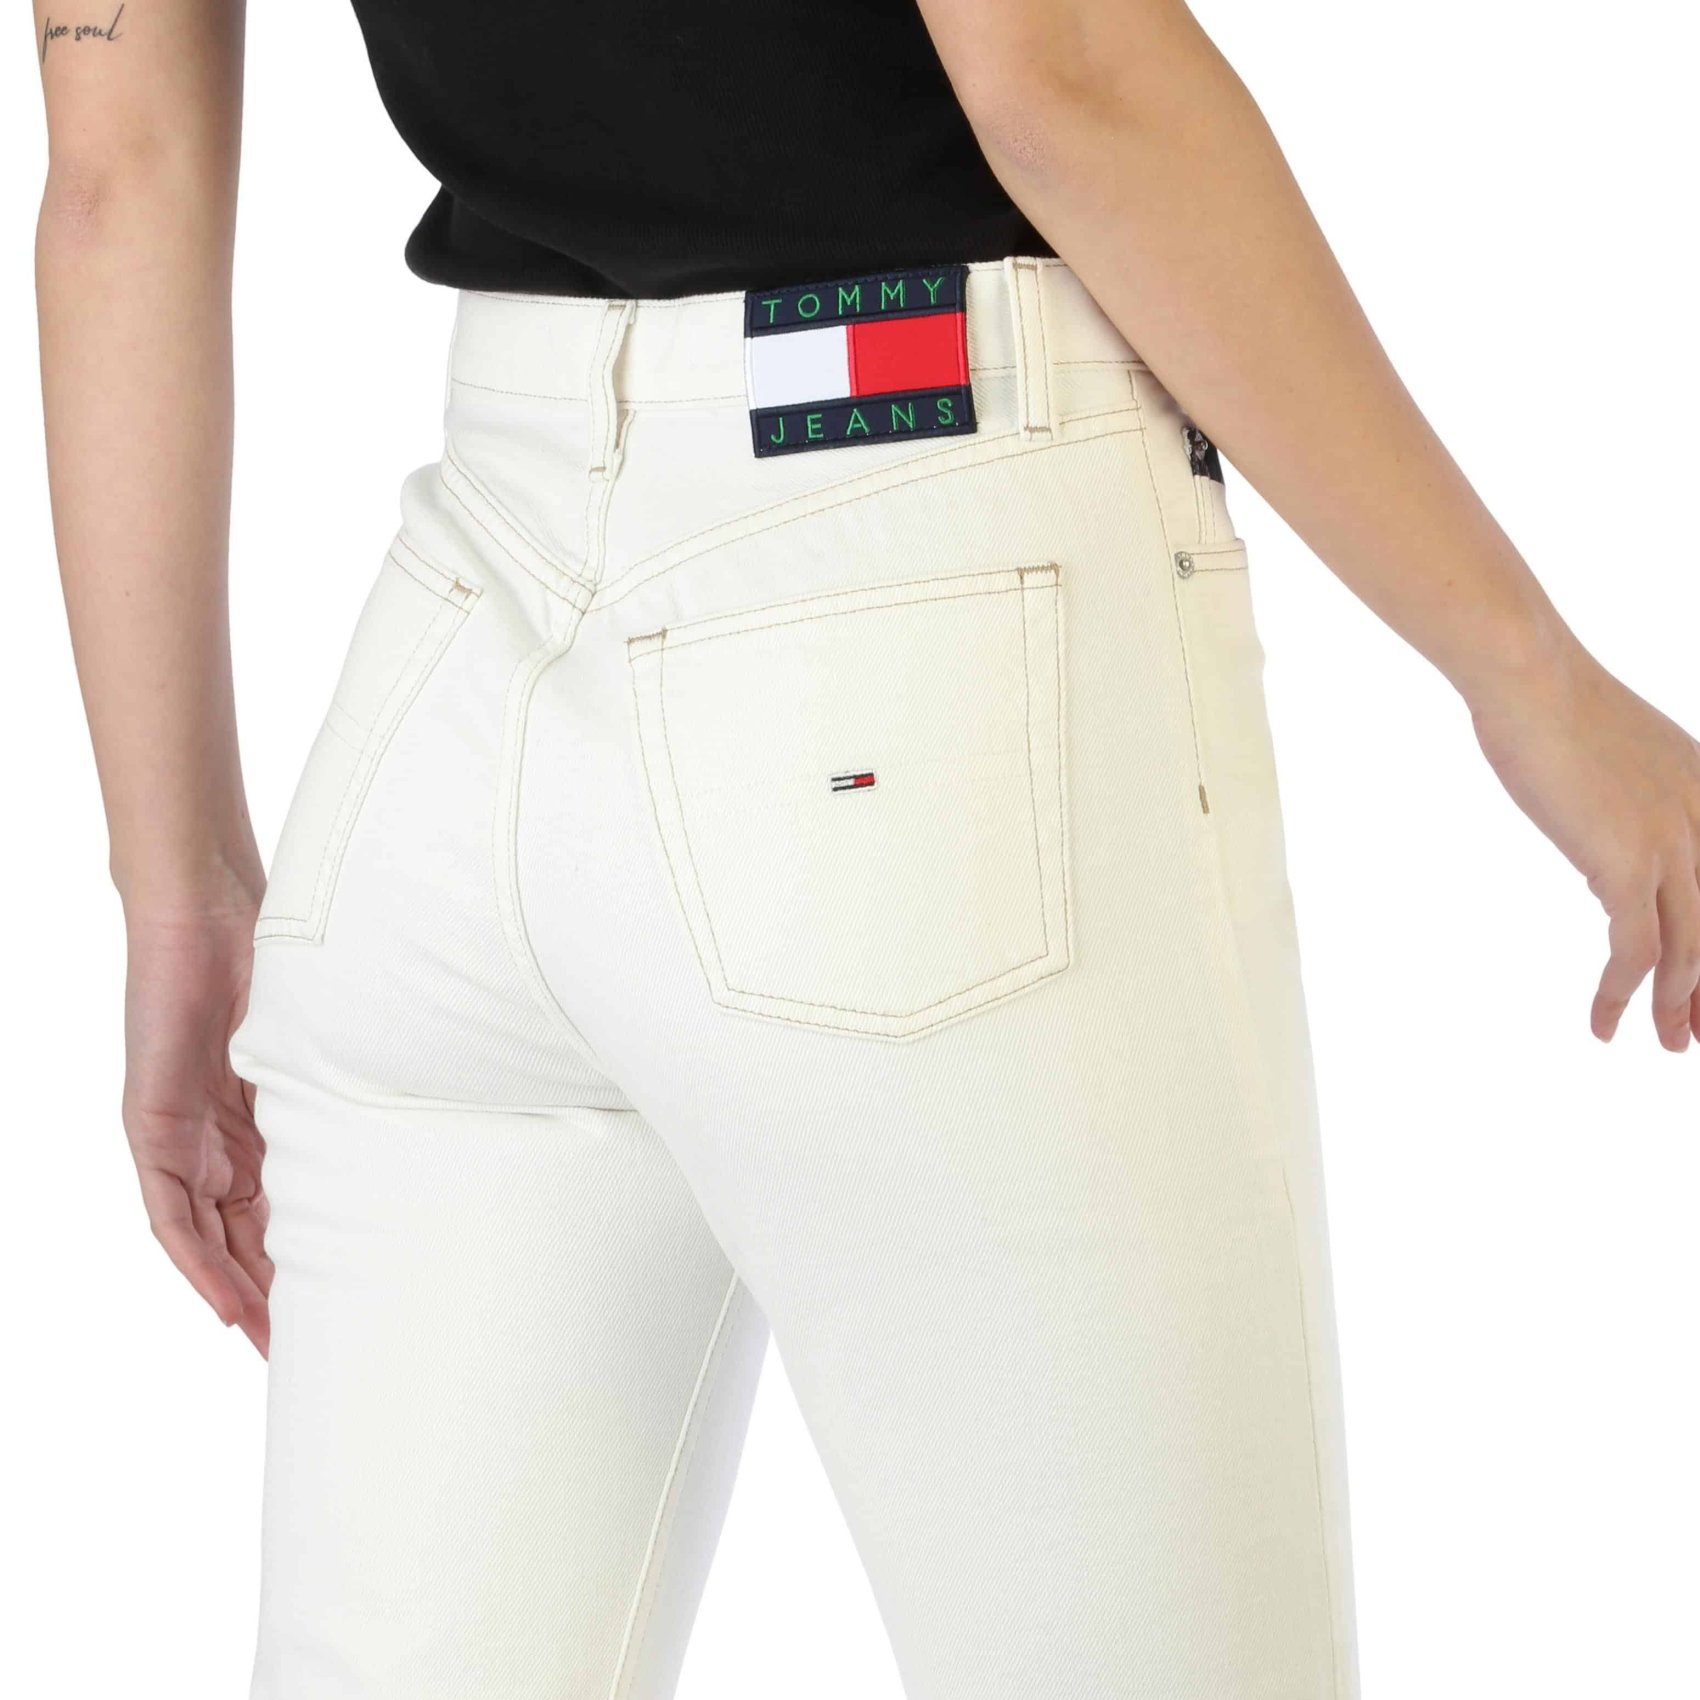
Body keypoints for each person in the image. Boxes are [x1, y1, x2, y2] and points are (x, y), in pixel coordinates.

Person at [32, 2, 1698, 1697]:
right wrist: (1534, 681)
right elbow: (1062, 68)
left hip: (451, 703)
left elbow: (114, 173)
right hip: (917, 588)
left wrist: (177, 887)